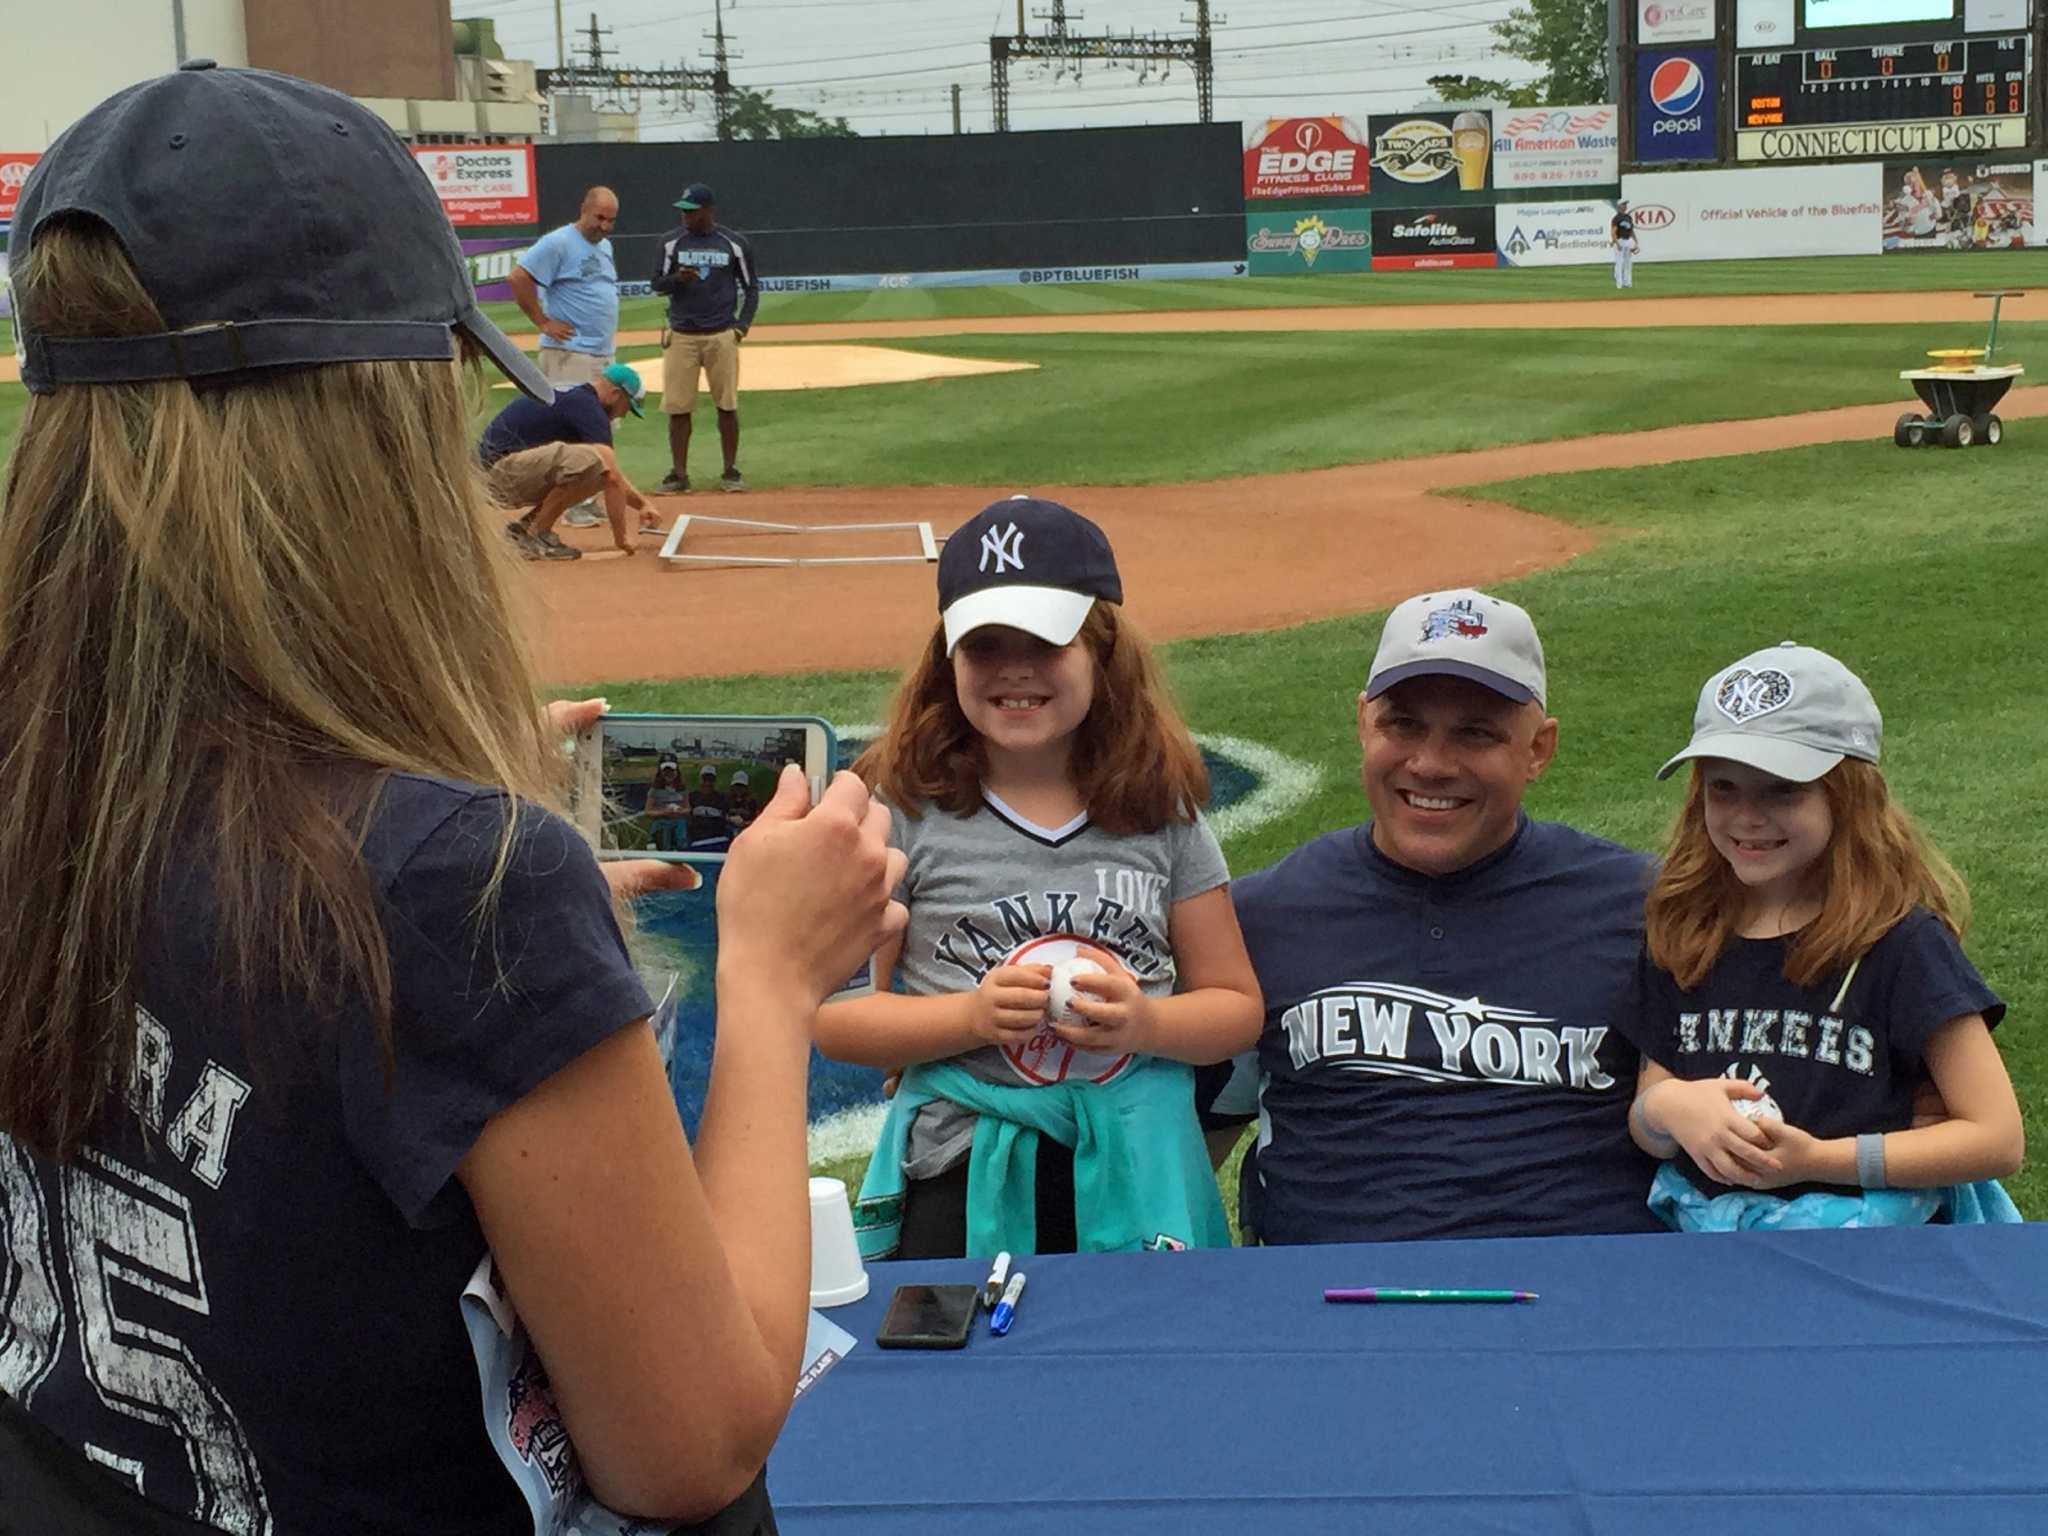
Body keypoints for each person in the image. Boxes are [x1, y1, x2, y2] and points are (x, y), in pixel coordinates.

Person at [0, 62, 904, 1535]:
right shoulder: (457, 888)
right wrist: (772, 976)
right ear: (382, 428)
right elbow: (692, 1451)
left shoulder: (47, 769)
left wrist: (488, 958)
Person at [815, 497, 1263, 1259]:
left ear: (1102, 652)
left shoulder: (1159, 812)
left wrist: (1146, 1024)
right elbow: (841, 1019)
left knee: (1139, 1361)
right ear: (946, 659)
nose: (1014, 669)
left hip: (1137, 1158)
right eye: (985, 645)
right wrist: (972, 1018)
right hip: (958, 1167)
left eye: (1045, 643)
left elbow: (1236, 1007)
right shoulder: (903, 811)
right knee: (958, 1364)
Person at [1211, 589, 1665, 1245]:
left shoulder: (1643, 908)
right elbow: (1194, 1142)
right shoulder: (1264, 915)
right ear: (1364, 722)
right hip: (1329, 1304)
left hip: (1579, 1302)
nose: (1430, 763)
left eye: (1475, 732)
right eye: (1404, 725)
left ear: (1539, 749)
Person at [1616, 643, 2023, 1230]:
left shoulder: (1901, 943)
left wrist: (1818, 1160)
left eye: (1782, 789)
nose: (1747, 816)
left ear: (1849, 796)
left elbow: (1997, 1138)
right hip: (1712, 1241)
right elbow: (1650, 1114)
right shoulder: (1685, 927)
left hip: (1868, 1246)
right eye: (1723, 787)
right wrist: (1670, 1108)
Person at [510, 186, 623, 528]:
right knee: (573, 424)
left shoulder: (605, 246)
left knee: (597, 426)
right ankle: (572, 501)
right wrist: (543, 321)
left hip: (599, 351)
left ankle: (585, 496)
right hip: (569, 352)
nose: (604, 226)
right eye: (599, 218)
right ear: (583, 210)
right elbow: (518, 277)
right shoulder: (558, 242)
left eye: (610, 220)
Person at [479, 360, 661, 560]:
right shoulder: (587, 407)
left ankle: (524, 531)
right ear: (616, 394)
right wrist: (622, 538)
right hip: (493, 474)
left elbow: (609, 476)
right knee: (591, 461)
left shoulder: (580, 399)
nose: (624, 414)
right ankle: (538, 536)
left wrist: (642, 504)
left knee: (594, 471)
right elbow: (613, 477)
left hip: (498, 472)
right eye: (627, 406)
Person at [651, 183, 759, 495]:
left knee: (726, 405)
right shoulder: (670, 243)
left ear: (709, 210)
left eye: (692, 211)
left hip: (721, 333)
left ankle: (730, 471)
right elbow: (657, 284)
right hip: (682, 333)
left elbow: (751, 287)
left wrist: (742, 326)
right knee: (678, 408)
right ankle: (679, 474)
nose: (686, 217)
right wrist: (677, 279)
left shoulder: (733, 244)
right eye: (683, 211)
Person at [644, 756, 689, 852]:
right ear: (660, 772)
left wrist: (680, 811)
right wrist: (664, 812)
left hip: (678, 822)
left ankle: (679, 848)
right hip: (662, 822)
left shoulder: (682, 789)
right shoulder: (655, 790)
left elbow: (688, 808)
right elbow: (648, 811)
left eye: (672, 771)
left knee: (681, 826)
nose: (669, 774)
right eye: (665, 771)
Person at [686, 765, 733, 852]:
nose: (707, 783)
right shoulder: (691, 796)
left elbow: (727, 816)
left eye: (710, 780)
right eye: (705, 779)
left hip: (717, 840)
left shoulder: (722, 798)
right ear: (700, 780)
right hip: (695, 839)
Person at [1609, 199, 1639, 290]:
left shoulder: (1628, 217)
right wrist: (1616, 243)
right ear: (1619, 206)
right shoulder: (1616, 218)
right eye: (1623, 204)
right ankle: (1619, 284)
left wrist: (1636, 242)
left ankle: (1628, 283)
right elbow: (1613, 232)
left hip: (1628, 240)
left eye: (1626, 204)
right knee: (1619, 263)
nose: (1625, 206)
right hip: (1620, 240)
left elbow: (1631, 231)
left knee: (1628, 263)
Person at [726, 769, 760, 834]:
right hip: (729, 830)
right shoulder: (727, 799)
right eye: (737, 785)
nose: (739, 788)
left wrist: (744, 823)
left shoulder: (752, 801)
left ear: (746, 787)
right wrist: (730, 819)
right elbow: (722, 815)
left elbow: (757, 820)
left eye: (741, 786)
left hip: (746, 831)